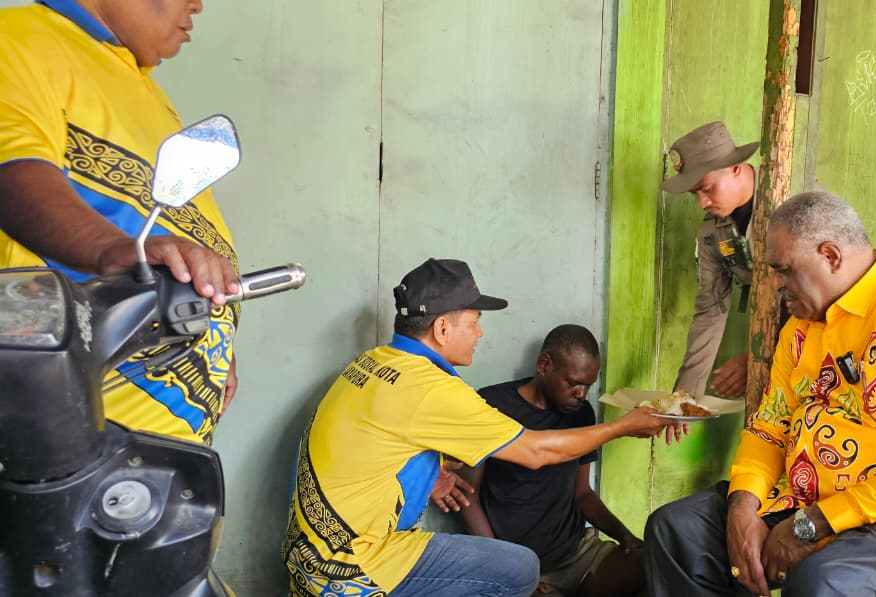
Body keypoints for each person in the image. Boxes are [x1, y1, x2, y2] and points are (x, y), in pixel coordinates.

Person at [645, 191, 876, 597]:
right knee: (677, 529)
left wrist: (812, 523)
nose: (773, 285)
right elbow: (768, 430)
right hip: (803, 497)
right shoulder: (801, 327)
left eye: (783, 271)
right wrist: (743, 508)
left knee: (825, 581)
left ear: (830, 255)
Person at [282, 259, 678, 597]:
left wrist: (428, 472)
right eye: (474, 321)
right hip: (352, 567)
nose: (480, 333)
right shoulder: (432, 389)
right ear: (441, 329)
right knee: (519, 569)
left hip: (306, 554)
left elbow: (371, 447)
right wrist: (624, 425)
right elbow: (536, 452)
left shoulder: (371, 364)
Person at [0, 0, 243, 445]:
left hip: (143, 461)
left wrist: (212, 336)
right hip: (59, 445)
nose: (197, 5)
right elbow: (13, 169)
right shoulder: (21, 37)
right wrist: (112, 250)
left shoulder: (143, 88)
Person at [458, 324, 645, 597]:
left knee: (658, 567)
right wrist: (505, 572)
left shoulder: (581, 414)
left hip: (580, 554)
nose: (581, 394)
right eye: (573, 383)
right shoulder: (491, 406)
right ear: (545, 365)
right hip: (520, 565)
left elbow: (582, 493)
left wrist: (624, 536)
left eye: (588, 385)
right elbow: (467, 497)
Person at [661, 121, 759, 398]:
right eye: (695, 194)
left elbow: (815, 307)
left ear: (735, 168)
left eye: (706, 188)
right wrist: (685, 394)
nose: (702, 203)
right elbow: (711, 311)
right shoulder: (711, 234)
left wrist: (757, 359)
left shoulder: (791, 208)